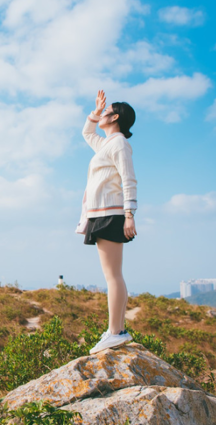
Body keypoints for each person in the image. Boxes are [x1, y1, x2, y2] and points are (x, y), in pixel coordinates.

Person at [76, 89, 137, 354]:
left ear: (115, 118)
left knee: (113, 276)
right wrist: (96, 111)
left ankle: (116, 332)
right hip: (101, 213)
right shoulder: (107, 144)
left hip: (110, 214)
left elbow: (129, 179)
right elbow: (87, 133)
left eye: (106, 112)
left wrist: (129, 215)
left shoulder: (119, 143)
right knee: (113, 275)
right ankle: (117, 330)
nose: (101, 116)